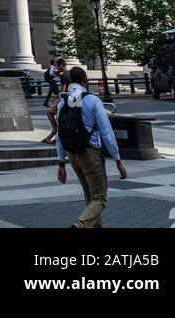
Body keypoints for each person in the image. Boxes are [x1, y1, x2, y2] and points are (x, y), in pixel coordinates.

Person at [55, 65, 127, 228]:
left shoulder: (63, 102)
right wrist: (118, 160)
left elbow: (60, 134)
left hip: (73, 154)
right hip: (90, 153)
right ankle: (79, 226)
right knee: (100, 198)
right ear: (85, 80)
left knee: (90, 196)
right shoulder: (92, 100)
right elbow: (106, 132)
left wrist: (61, 163)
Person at [43, 58, 68, 142]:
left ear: (61, 65)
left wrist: (56, 97)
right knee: (58, 119)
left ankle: (57, 132)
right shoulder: (68, 73)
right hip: (72, 99)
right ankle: (49, 137)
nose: (56, 68)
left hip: (65, 98)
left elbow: (63, 90)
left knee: (49, 113)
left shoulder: (64, 75)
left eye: (57, 66)